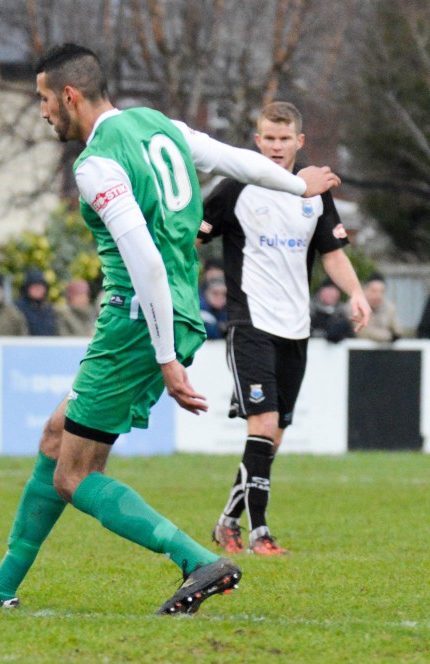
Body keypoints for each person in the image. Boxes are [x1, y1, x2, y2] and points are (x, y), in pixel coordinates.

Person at [0, 43, 343, 615]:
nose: (44, 112)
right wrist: (300, 185)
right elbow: (232, 158)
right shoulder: (160, 126)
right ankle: (0, 588)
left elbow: (146, 261)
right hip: (165, 312)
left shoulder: (97, 164)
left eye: (45, 100)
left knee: (74, 477)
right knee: (57, 439)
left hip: (137, 321)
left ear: (69, 96)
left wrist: (165, 360)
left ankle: (198, 561)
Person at [199, 101, 370, 557]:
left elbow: (331, 252)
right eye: (267, 139)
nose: (275, 147)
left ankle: (226, 523)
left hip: (296, 328)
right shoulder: (235, 186)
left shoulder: (314, 190)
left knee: (272, 436)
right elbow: (193, 235)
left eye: (283, 139)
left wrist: (355, 292)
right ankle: (260, 534)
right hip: (249, 322)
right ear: (257, 141)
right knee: (264, 423)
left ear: (299, 142)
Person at [356, 274, 401, 342]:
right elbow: (363, 333)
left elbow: (397, 331)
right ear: (365, 290)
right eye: (373, 291)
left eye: (381, 292)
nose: (378, 295)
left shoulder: (389, 308)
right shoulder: (356, 307)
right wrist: (388, 336)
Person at [15, 268, 58, 336]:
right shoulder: (17, 309)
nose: (38, 289)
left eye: (40, 287)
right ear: (27, 288)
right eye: (34, 286)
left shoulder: (50, 309)